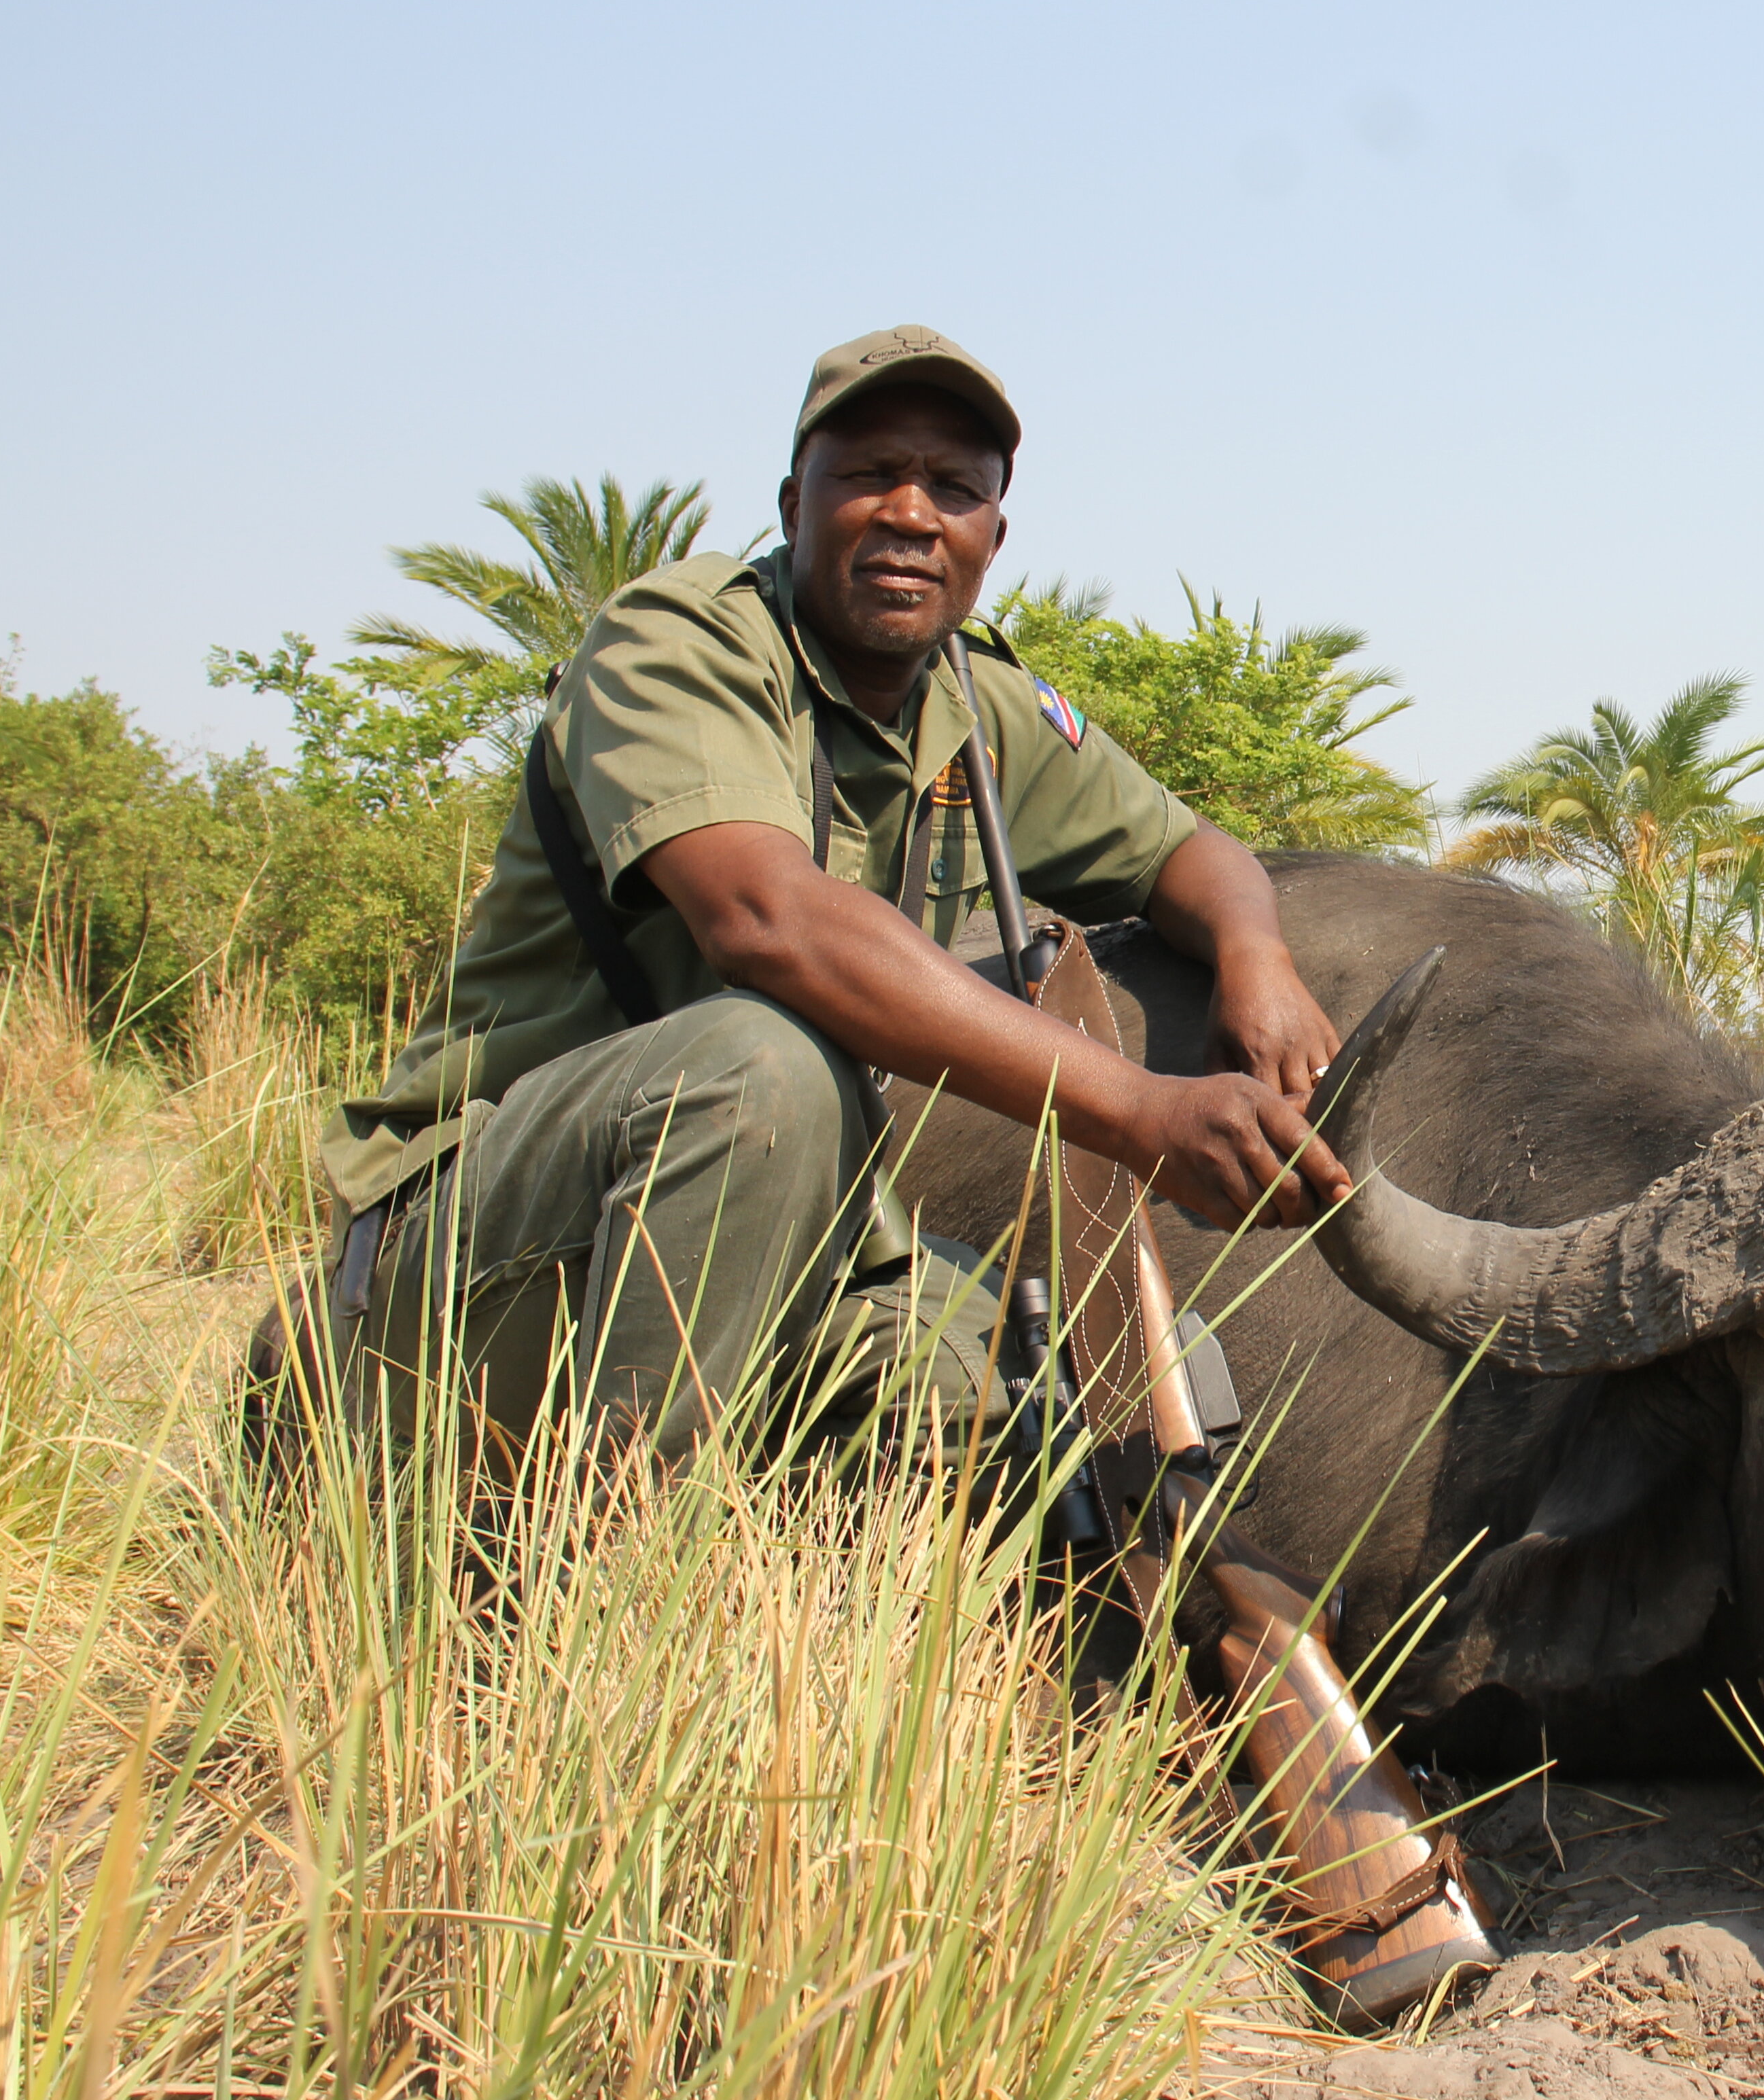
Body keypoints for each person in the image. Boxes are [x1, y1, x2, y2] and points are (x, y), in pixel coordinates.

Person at [294, 324, 1351, 1484]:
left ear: (993, 538)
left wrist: (1259, 961)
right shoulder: (677, 641)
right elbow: (769, 924)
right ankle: (590, 1591)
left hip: (794, 1246)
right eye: (869, 475)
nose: (910, 513)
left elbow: (1194, 854)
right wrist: (1143, 1114)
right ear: (796, 500)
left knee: (1127, 1401)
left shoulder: (977, 705)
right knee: (763, 1067)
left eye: (954, 488)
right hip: (491, 1253)